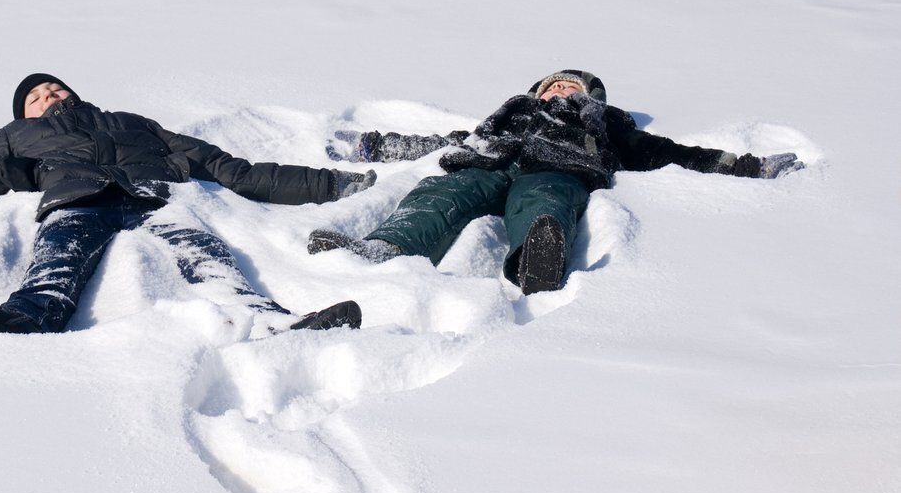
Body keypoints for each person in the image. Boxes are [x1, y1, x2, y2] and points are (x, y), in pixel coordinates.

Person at [0, 74, 375, 334]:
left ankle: (274, 325)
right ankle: (21, 321)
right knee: (56, 265)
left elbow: (235, 171)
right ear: (24, 113)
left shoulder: (131, 123)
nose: (48, 96)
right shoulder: (16, 138)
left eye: (54, 88)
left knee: (210, 262)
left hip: (156, 200)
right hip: (78, 202)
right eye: (35, 96)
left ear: (74, 92)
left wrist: (331, 184)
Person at [310, 69, 804, 295]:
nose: (559, 89)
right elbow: (442, 141)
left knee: (545, 202)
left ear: (591, 96)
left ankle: (534, 263)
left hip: (559, 168)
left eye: (572, 86)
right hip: (488, 162)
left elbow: (673, 153)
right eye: (552, 84)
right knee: (440, 194)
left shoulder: (604, 126)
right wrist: (373, 145)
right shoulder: (509, 116)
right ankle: (382, 248)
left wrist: (746, 166)